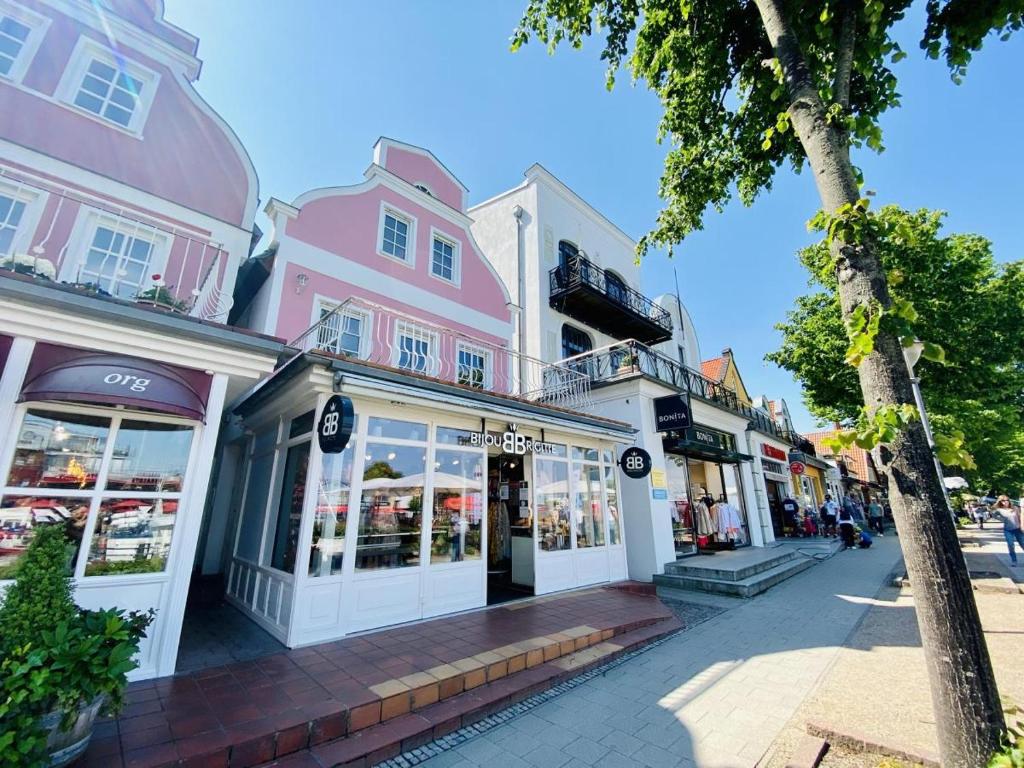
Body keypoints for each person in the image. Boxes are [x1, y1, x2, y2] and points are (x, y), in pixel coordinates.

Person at [990, 495, 1023, 567]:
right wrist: (1002, 519)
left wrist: (1022, 526)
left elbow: (1020, 517)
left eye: (1006, 500)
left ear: (1009, 500)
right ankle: (1014, 561)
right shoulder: (999, 510)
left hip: (1018, 529)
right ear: (1000, 502)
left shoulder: (1015, 508)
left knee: (1023, 544)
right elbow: (993, 514)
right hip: (1008, 530)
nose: (1005, 502)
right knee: (1010, 545)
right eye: (1003, 501)